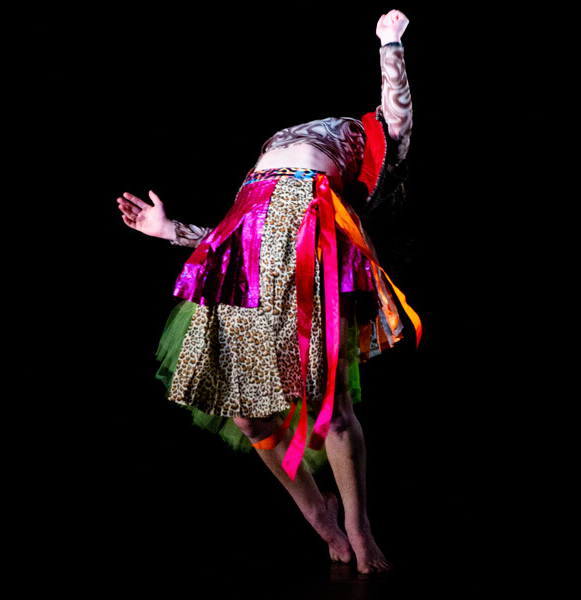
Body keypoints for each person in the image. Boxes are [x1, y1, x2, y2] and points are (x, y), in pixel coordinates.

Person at [115, 10, 419, 575]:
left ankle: (358, 528)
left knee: (330, 407)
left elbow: (398, 115)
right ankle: (320, 517)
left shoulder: (371, 146)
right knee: (250, 419)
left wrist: (390, 44)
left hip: (309, 236)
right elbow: (234, 235)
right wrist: (169, 230)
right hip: (248, 236)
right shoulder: (274, 155)